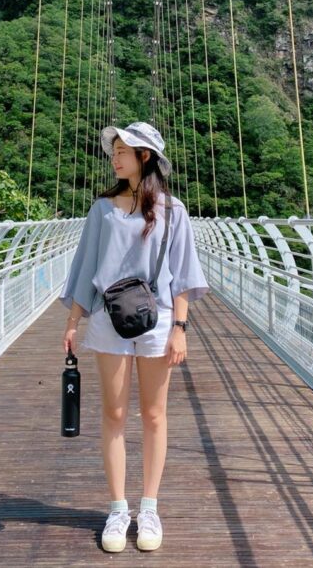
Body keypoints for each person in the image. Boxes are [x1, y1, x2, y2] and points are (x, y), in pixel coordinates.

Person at [59, 121, 209, 553]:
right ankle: (117, 509)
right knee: (114, 414)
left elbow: (182, 276)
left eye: (123, 150)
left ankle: (149, 508)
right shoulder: (101, 209)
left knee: (154, 414)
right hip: (108, 318)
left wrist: (180, 328)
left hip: (158, 320)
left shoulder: (172, 211)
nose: (115, 156)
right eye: (115, 149)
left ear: (145, 156)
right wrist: (73, 321)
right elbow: (87, 268)